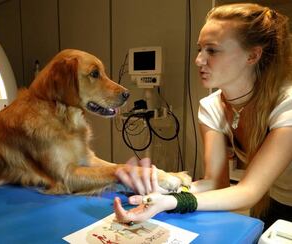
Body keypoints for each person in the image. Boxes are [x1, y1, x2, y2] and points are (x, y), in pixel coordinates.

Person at [114, 3, 292, 230]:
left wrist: (174, 202)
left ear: (253, 55)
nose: (199, 60)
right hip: (274, 201)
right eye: (200, 49)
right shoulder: (211, 107)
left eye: (212, 50)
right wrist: (165, 188)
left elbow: (249, 191)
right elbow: (217, 182)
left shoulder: (287, 104)